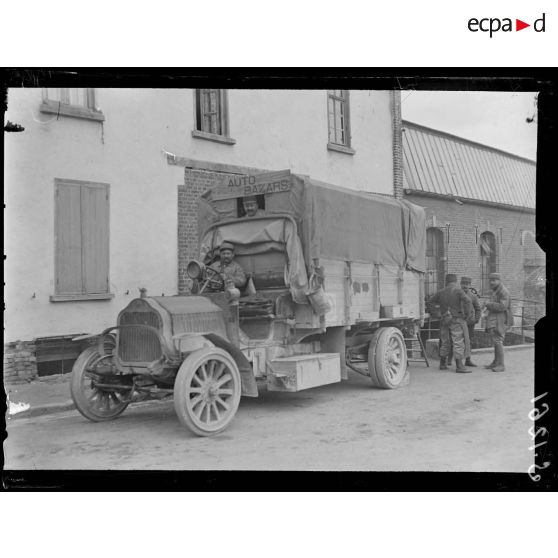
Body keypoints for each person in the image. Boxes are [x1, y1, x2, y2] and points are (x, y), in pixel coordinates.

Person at [429, 273, 473, 373]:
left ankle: (442, 364)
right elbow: (468, 301)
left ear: (446, 281)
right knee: (458, 342)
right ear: (455, 281)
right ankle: (459, 366)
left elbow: (430, 302)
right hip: (456, 319)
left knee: (445, 342)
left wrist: (437, 314)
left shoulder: (440, 292)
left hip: (444, 319)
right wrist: (466, 315)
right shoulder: (458, 291)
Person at [483, 272, 512, 372]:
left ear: (499, 280)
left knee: (498, 341)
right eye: (490, 280)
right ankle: (496, 362)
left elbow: (502, 306)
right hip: (494, 319)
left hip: (500, 319)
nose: (491, 282)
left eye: (494, 280)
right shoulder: (495, 290)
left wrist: (488, 304)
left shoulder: (503, 292)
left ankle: (501, 365)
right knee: (496, 341)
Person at [461, 276, 482, 367]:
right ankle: (451, 360)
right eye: (463, 284)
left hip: (469, 322)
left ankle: (468, 360)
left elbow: (478, 308)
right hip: (459, 321)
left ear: (470, 285)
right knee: (456, 340)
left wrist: (476, 319)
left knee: (469, 341)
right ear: (460, 284)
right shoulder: (457, 294)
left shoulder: (473, 296)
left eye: (467, 284)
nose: (465, 286)